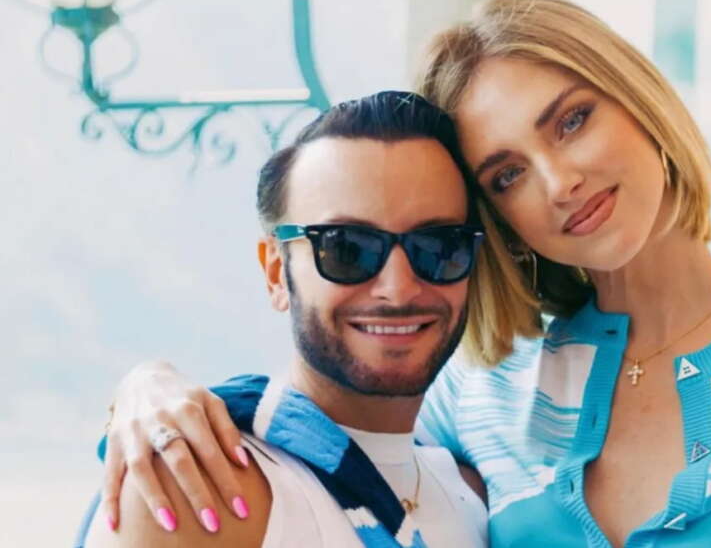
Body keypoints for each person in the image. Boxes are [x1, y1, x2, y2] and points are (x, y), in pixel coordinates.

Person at [95, 0, 711, 546]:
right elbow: (329, 435)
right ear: (497, 221)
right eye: (506, 175)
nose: (559, 181)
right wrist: (148, 388)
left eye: (571, 120)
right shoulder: (478, 396)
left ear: (639, 100)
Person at [81, 91, 489, 548]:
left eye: (438, 246)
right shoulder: (194, 486)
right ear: (276, 271)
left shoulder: (470, 493)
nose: (398, 288)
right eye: (346, 247)